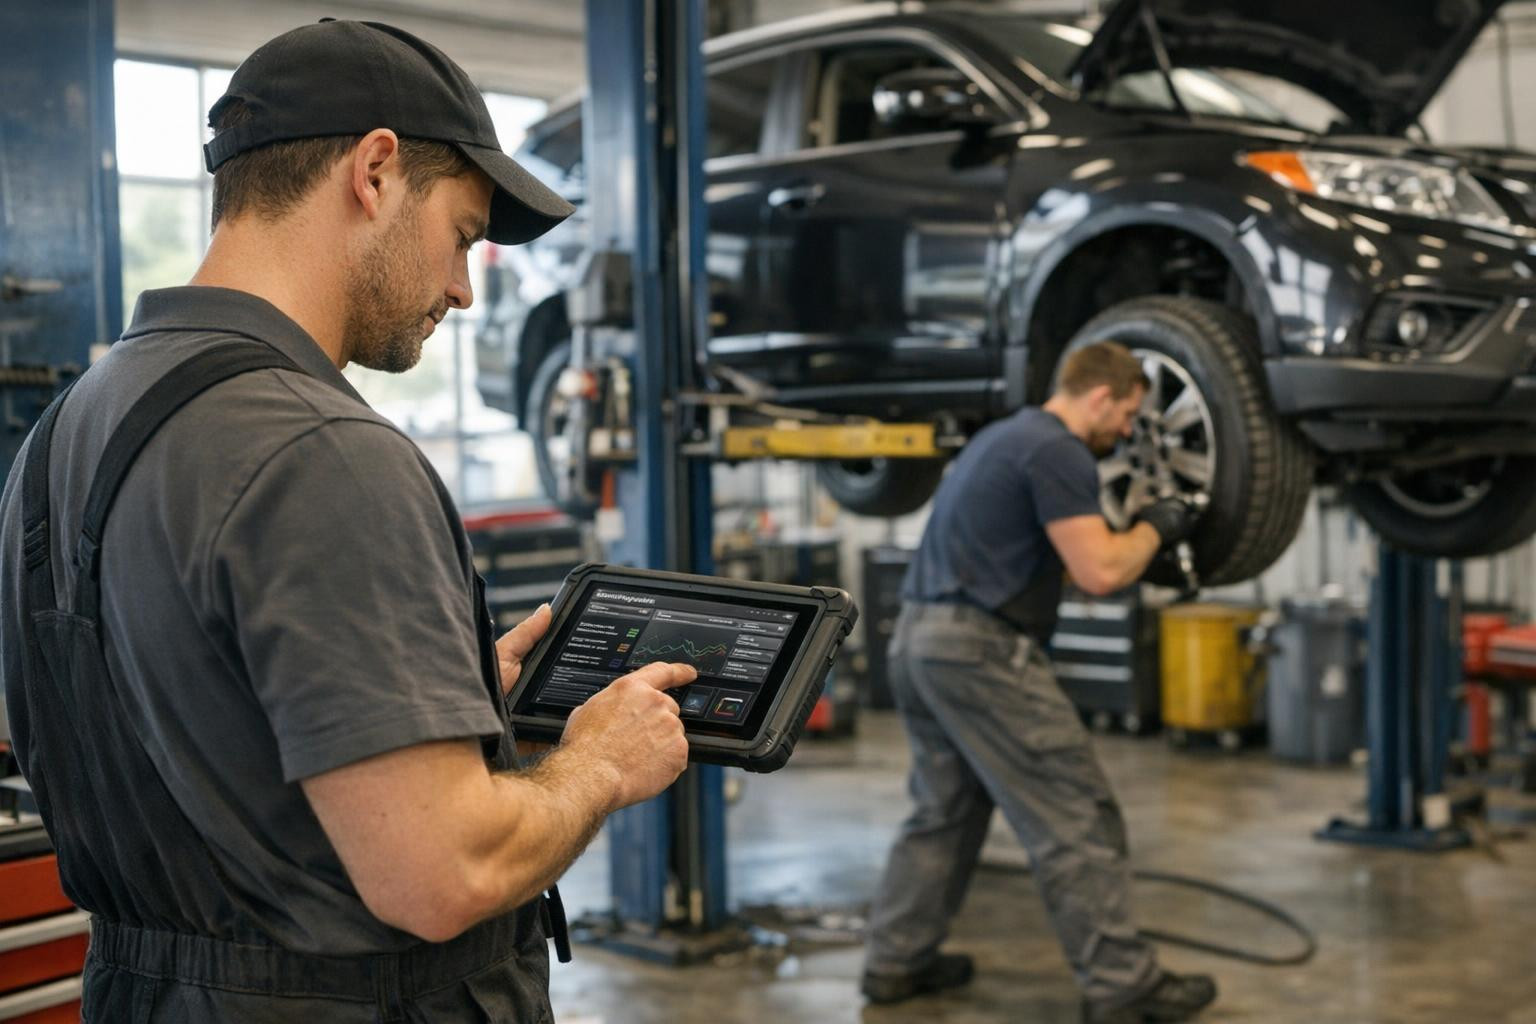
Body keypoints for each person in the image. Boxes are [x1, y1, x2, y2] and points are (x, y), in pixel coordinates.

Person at [0, 20, 697, 1022]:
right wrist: (598, 761)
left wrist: (416, 694)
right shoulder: (323, 450)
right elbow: (441, 872)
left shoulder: (73, 424)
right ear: (374, 171)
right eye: (462, 234)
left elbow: (189, 719)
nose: (462, 288)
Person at [859, 341, 1218, 1023]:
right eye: (1128, 414)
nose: (1127, 432)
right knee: (1075, 811)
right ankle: (1124, 987)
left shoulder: (1004, 437)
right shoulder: (1058, 450)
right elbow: (1102, 571)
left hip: (918, 638)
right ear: (1100, 396)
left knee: (945, 813)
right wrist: (1154, 526)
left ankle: (895, 962)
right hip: (979, 650)